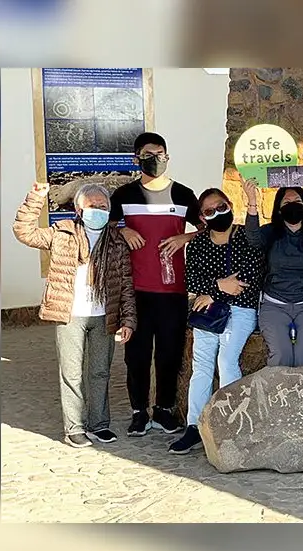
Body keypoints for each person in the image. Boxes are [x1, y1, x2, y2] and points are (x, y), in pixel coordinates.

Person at [12, 182, 137, 448]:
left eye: (103, 206)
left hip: (104, 315)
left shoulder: (116, 240)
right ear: (79, 209)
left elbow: (126, 282)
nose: (98, 211)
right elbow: (24, 232)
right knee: (72, 373)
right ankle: (74, 428)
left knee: (100, 372)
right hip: (70, 314)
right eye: (92, 206)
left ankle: (99, 424)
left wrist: (128, 319)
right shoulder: (62, 233)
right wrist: (35, 199)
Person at [109, 132, 202, 437]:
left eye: (161, 153)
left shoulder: (184, 195)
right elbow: (104, 229)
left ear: (167, 156)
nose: (156, 159)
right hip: (134, 291)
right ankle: (139, 412)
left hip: (172, 290)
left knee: (169, 353)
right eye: (149, 154)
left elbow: (209, 228)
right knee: (136, 354)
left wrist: (185, 236)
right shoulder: (122, 196)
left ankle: (164, 410)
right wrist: (121, 232)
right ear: (137, 159)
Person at [169, 189, 265, 454]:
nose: (217, 213)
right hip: (209, 310)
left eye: (220, 207)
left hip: (240, 309)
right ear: (202, 217)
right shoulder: (198, 243)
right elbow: (190, 279)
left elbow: (250, 275)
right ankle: (194, 426)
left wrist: (212, 290)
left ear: (230, 205)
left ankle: (230, 423)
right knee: (201, 365)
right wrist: (218, 287)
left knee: (226, 360)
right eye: (209, 211)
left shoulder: (246, 235)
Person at [244, 177, 303, 367]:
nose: (292, 205)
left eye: (297, 202)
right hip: (274, 304)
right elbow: (253, 240)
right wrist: (252, 201)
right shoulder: (271, 233)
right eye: (287, 202)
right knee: (281, 357)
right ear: (278, 208)